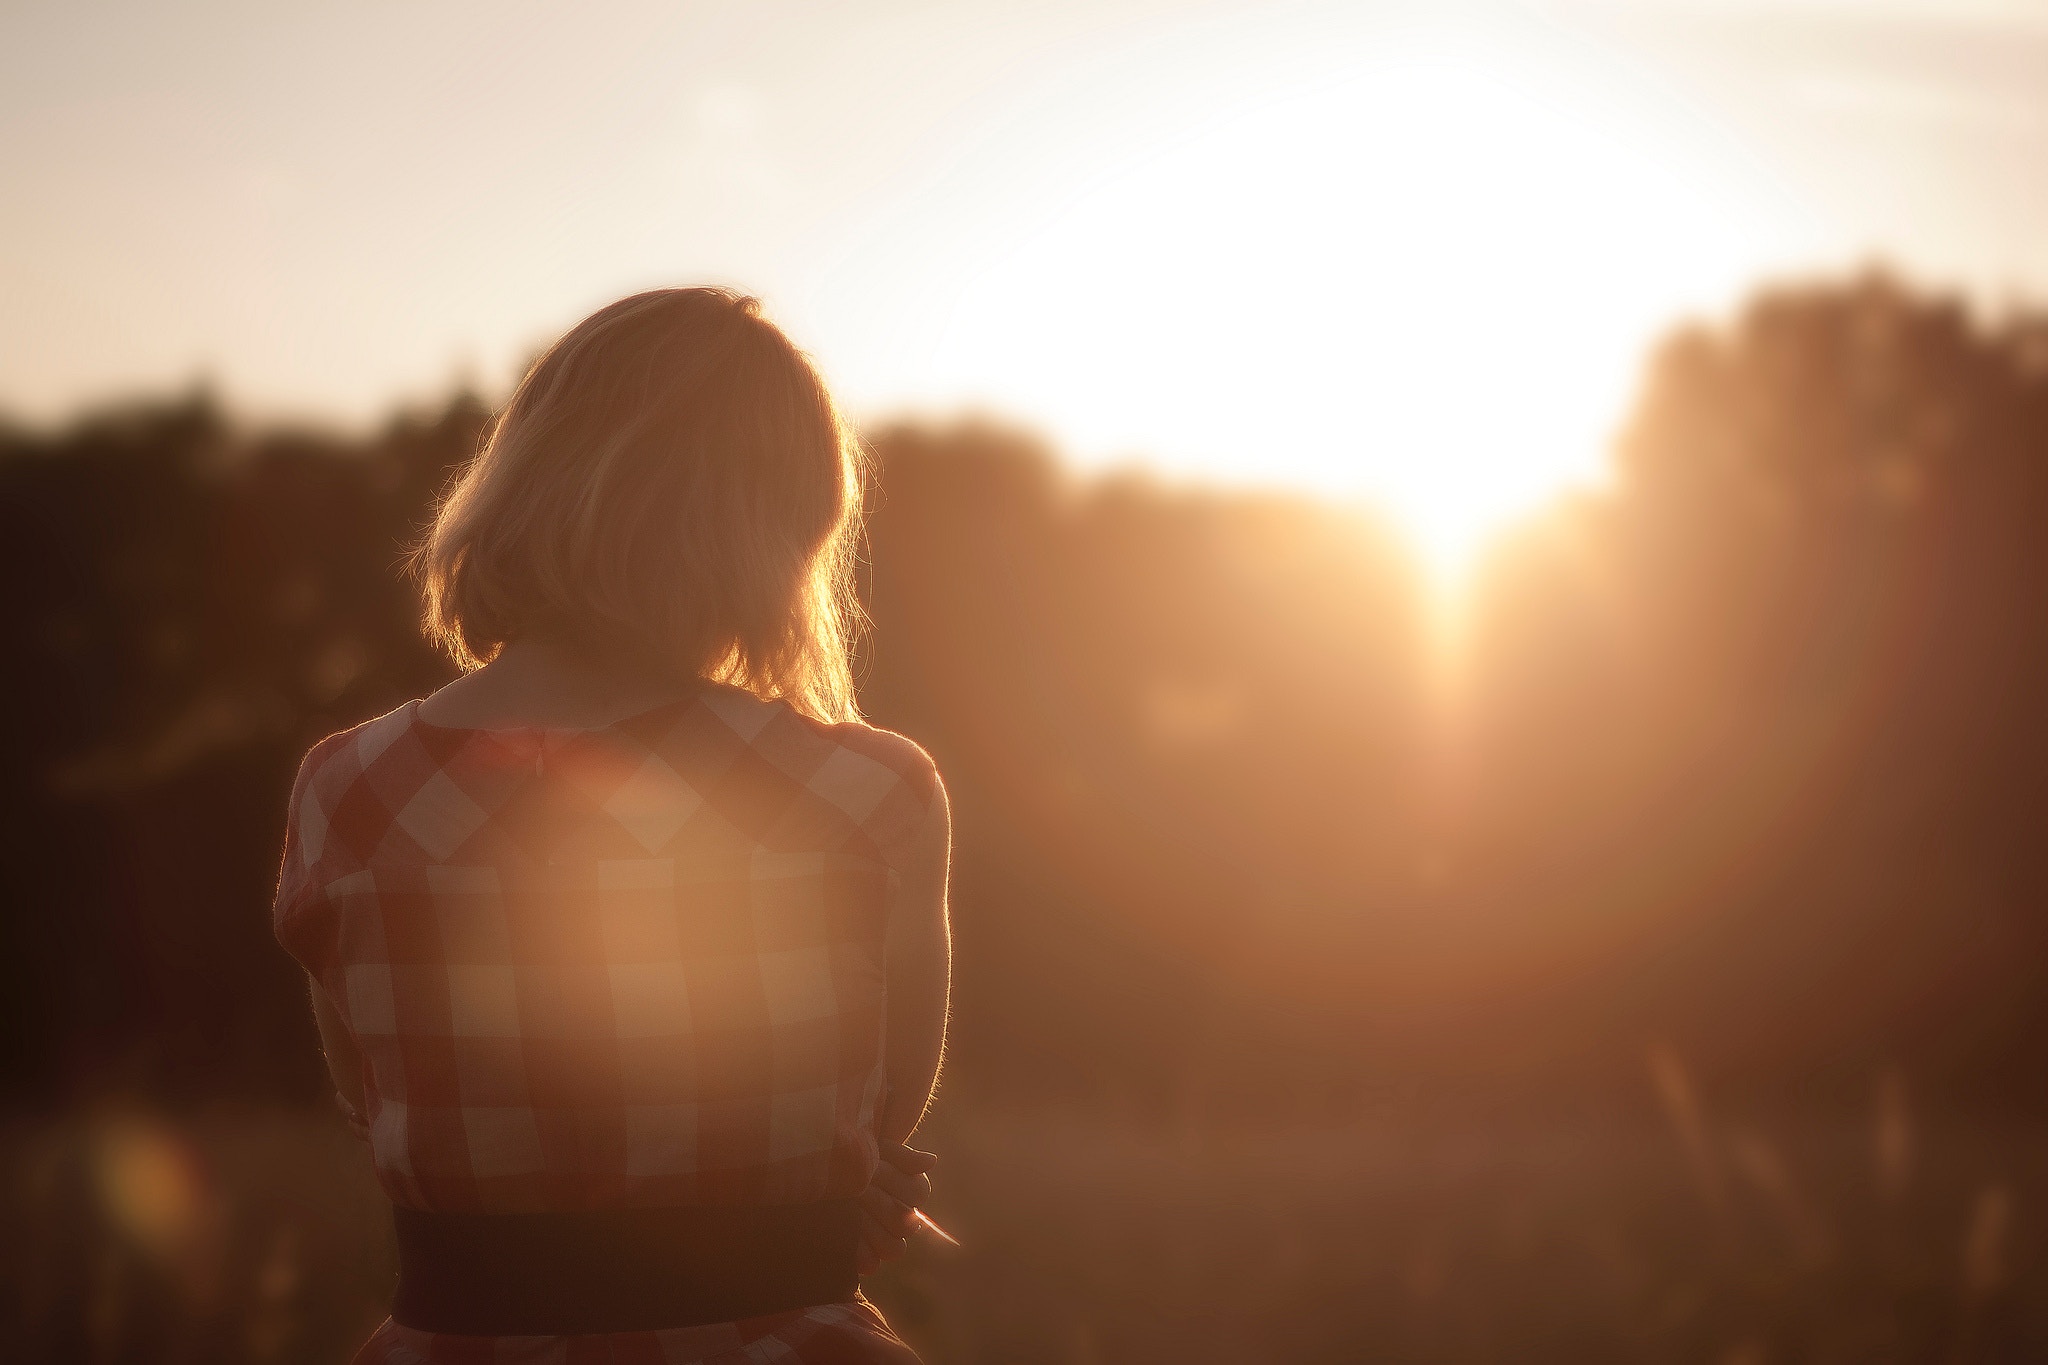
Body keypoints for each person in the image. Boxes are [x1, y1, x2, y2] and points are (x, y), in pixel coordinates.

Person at [271, 288, 951, 1364]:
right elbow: (880, 1114)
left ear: (527, 476)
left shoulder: (346, 790)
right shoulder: (866, 794)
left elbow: (378, 1104)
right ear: (777, 530)